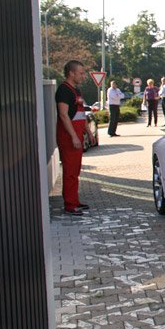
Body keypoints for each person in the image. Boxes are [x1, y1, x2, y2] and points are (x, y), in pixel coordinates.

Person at [55, 60, 94, 216]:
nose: (83, 76)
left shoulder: (76, 91)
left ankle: (74, 200)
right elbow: (64, 115)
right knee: (70, 171)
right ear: (71, 73)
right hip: (68, 137)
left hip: (77, 135)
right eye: (81, 73)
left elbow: (81, 114)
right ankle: (70, 205)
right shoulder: (64, 91)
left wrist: (88, 132)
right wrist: (73, 137)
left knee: (75, 170)